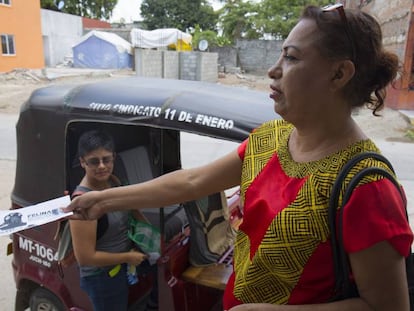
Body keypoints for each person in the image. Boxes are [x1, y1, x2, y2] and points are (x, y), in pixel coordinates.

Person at [65, 4, 413, 310]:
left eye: (291, 57)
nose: (273, 70)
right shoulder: (270, 139)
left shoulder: (367, 186)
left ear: (339, 74)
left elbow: (386, 306)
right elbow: (193, 181)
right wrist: (105, 200)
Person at [69, 129, 158, 311]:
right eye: (94, 161)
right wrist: (128, 257)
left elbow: (133, 210)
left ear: (114, 158)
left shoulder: (114, 182)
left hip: (124, 263)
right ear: (82, 162)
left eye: (106, 159)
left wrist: (149, 238)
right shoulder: (82, 204)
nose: (102, 166)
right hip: (102, 278)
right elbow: (85, 257)